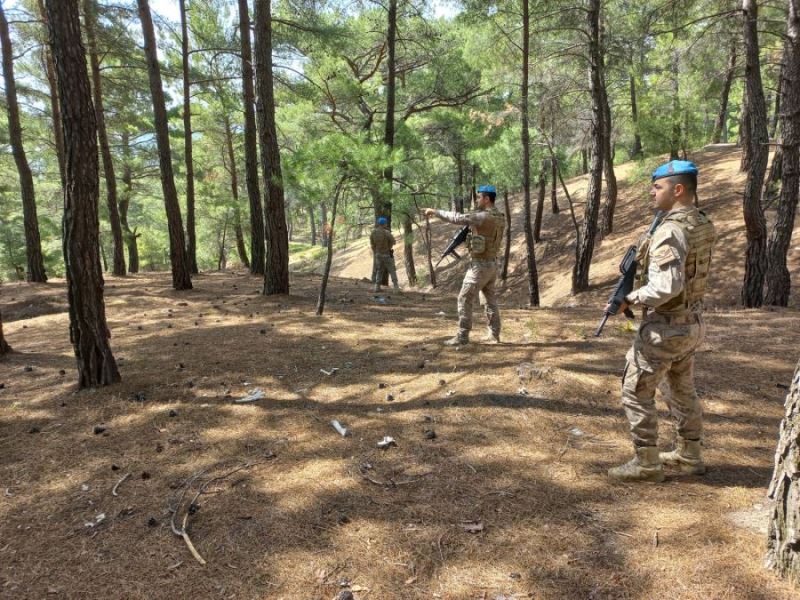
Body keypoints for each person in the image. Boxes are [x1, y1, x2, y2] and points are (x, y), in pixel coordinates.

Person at [606, 160, 716, 483]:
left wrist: (632, 298)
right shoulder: (701, 222)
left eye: (658, 186)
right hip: (691, 323)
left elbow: (667, 287)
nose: (652, 191)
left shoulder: (670, 229)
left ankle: (647, 463)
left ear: (677, 189)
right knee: (681, 389)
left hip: (665, 327)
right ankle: (690, 454)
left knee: (635, 389)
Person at [424, 185, 505, 346]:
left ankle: (462, 336)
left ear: (487, 199)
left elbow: (457, 218)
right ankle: (494, 335)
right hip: (492, 264)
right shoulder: (499, 216)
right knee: (489, 299)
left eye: (479, 197)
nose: (477, 199)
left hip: (480, 266)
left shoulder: (482, 217)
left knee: (464, 298)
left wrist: (436, 212)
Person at [370, 216, 399, 292]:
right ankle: (396, 288)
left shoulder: (373, 233)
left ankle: (377, 287)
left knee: (379, 270)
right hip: (386, 254)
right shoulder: (386, 233)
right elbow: (394, 241)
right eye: (386, 223)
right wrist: (389, 246)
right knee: (392, 270)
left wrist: (376, 251)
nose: (386, 224)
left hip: (378, 254)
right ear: (384, 224)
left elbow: (372, 245)